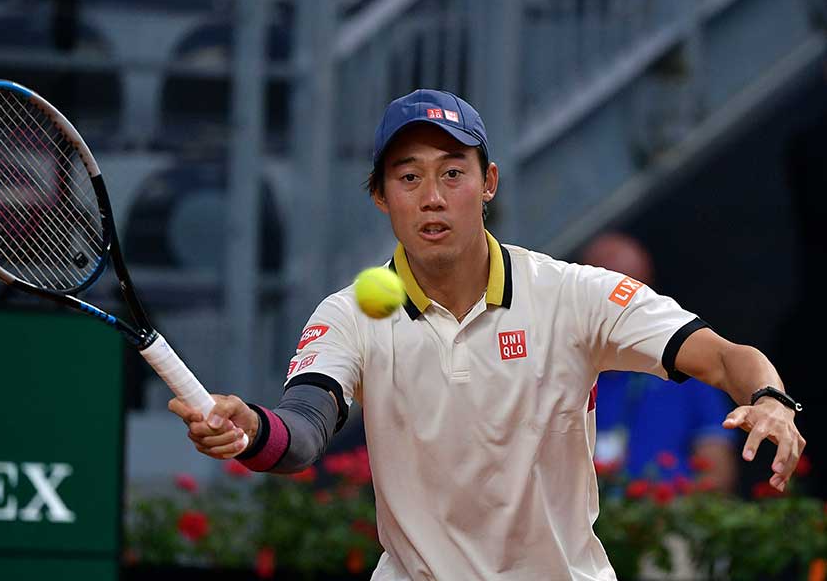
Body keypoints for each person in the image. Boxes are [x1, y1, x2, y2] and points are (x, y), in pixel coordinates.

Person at [168, 89, 806, 580]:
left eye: (453, 172)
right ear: (381, 197)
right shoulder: (350, 316)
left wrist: (772, 402)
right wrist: (248, 428)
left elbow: (725, 357)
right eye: (408, 176)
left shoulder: (573, 294)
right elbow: (303, 431)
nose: (433, 197)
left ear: (489, 183)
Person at [580, 232, 737, 492]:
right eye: (609, 297)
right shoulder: (556, 367)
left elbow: (717, 471)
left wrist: (665, 524)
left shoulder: (687, 367)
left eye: (635, 295)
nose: (623, 309)